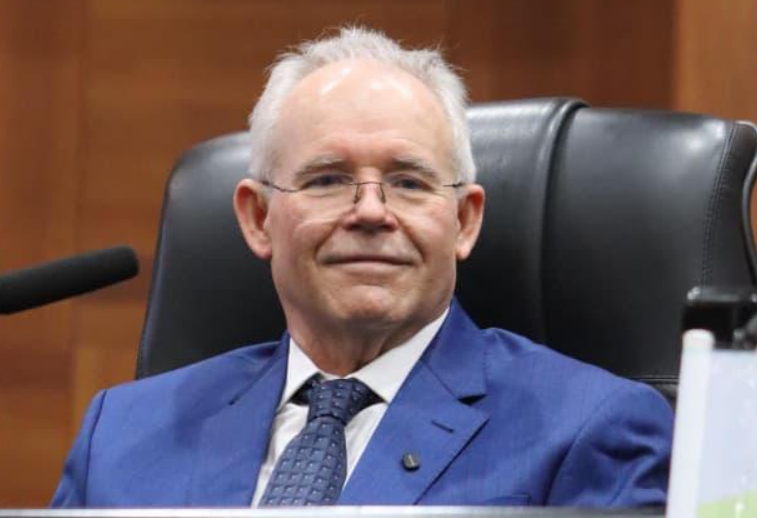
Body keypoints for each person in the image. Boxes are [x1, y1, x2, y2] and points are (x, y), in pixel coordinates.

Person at [51, 26, 673, 508]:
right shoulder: (122, 434)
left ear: (464, 221)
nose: (372, 211)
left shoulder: (592, 430)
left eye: (408, 182)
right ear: (258, 217)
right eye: (327, 180)